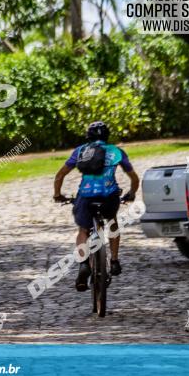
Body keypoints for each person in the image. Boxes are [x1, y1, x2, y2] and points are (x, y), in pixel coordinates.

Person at [53, 121, 139, 291]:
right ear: (107, 136)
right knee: (112, 222)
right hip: (109, 197)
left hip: (85, 196)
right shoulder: (116, 151)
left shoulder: (80, 151)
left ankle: (84, 263)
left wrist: (57, 194)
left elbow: (60, 175)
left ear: (88, 136)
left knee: (83, 230)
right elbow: (134, 178)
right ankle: (114, 261)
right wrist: (132, 193)